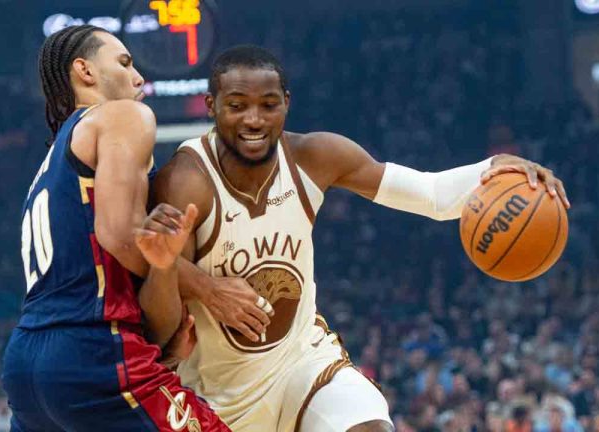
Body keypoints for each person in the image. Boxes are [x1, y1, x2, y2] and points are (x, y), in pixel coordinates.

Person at [152, 45, 570, 432]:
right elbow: (154, 285)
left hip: (301, 365)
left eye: (268, 104)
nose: (254, 120)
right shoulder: (187, 180)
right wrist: (207, 289)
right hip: (215, 393)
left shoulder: (315, 157)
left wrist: (495, 169)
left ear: (286, 103)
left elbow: (432, 195)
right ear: (212, 106)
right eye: (237, 106)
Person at [0, 25, 231, 431]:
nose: (139, 77)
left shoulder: (50, 163)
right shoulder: (122, 115)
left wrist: (160, 341)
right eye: (125, 62)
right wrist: (211, 290)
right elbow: (120, 235)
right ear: (85, 71)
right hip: (93, 351)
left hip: (27, 367)